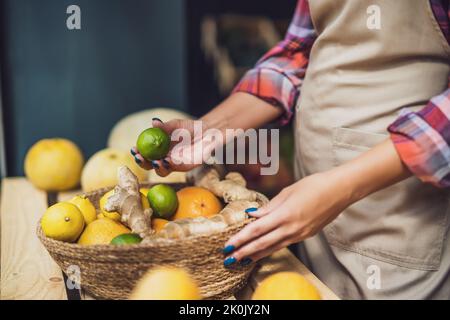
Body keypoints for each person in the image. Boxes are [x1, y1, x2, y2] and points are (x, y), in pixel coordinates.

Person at [132, 0, 450, 299]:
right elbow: (297, 55)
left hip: (400, 214)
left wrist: (342, 186)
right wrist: (208, 131)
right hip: (311, 209)